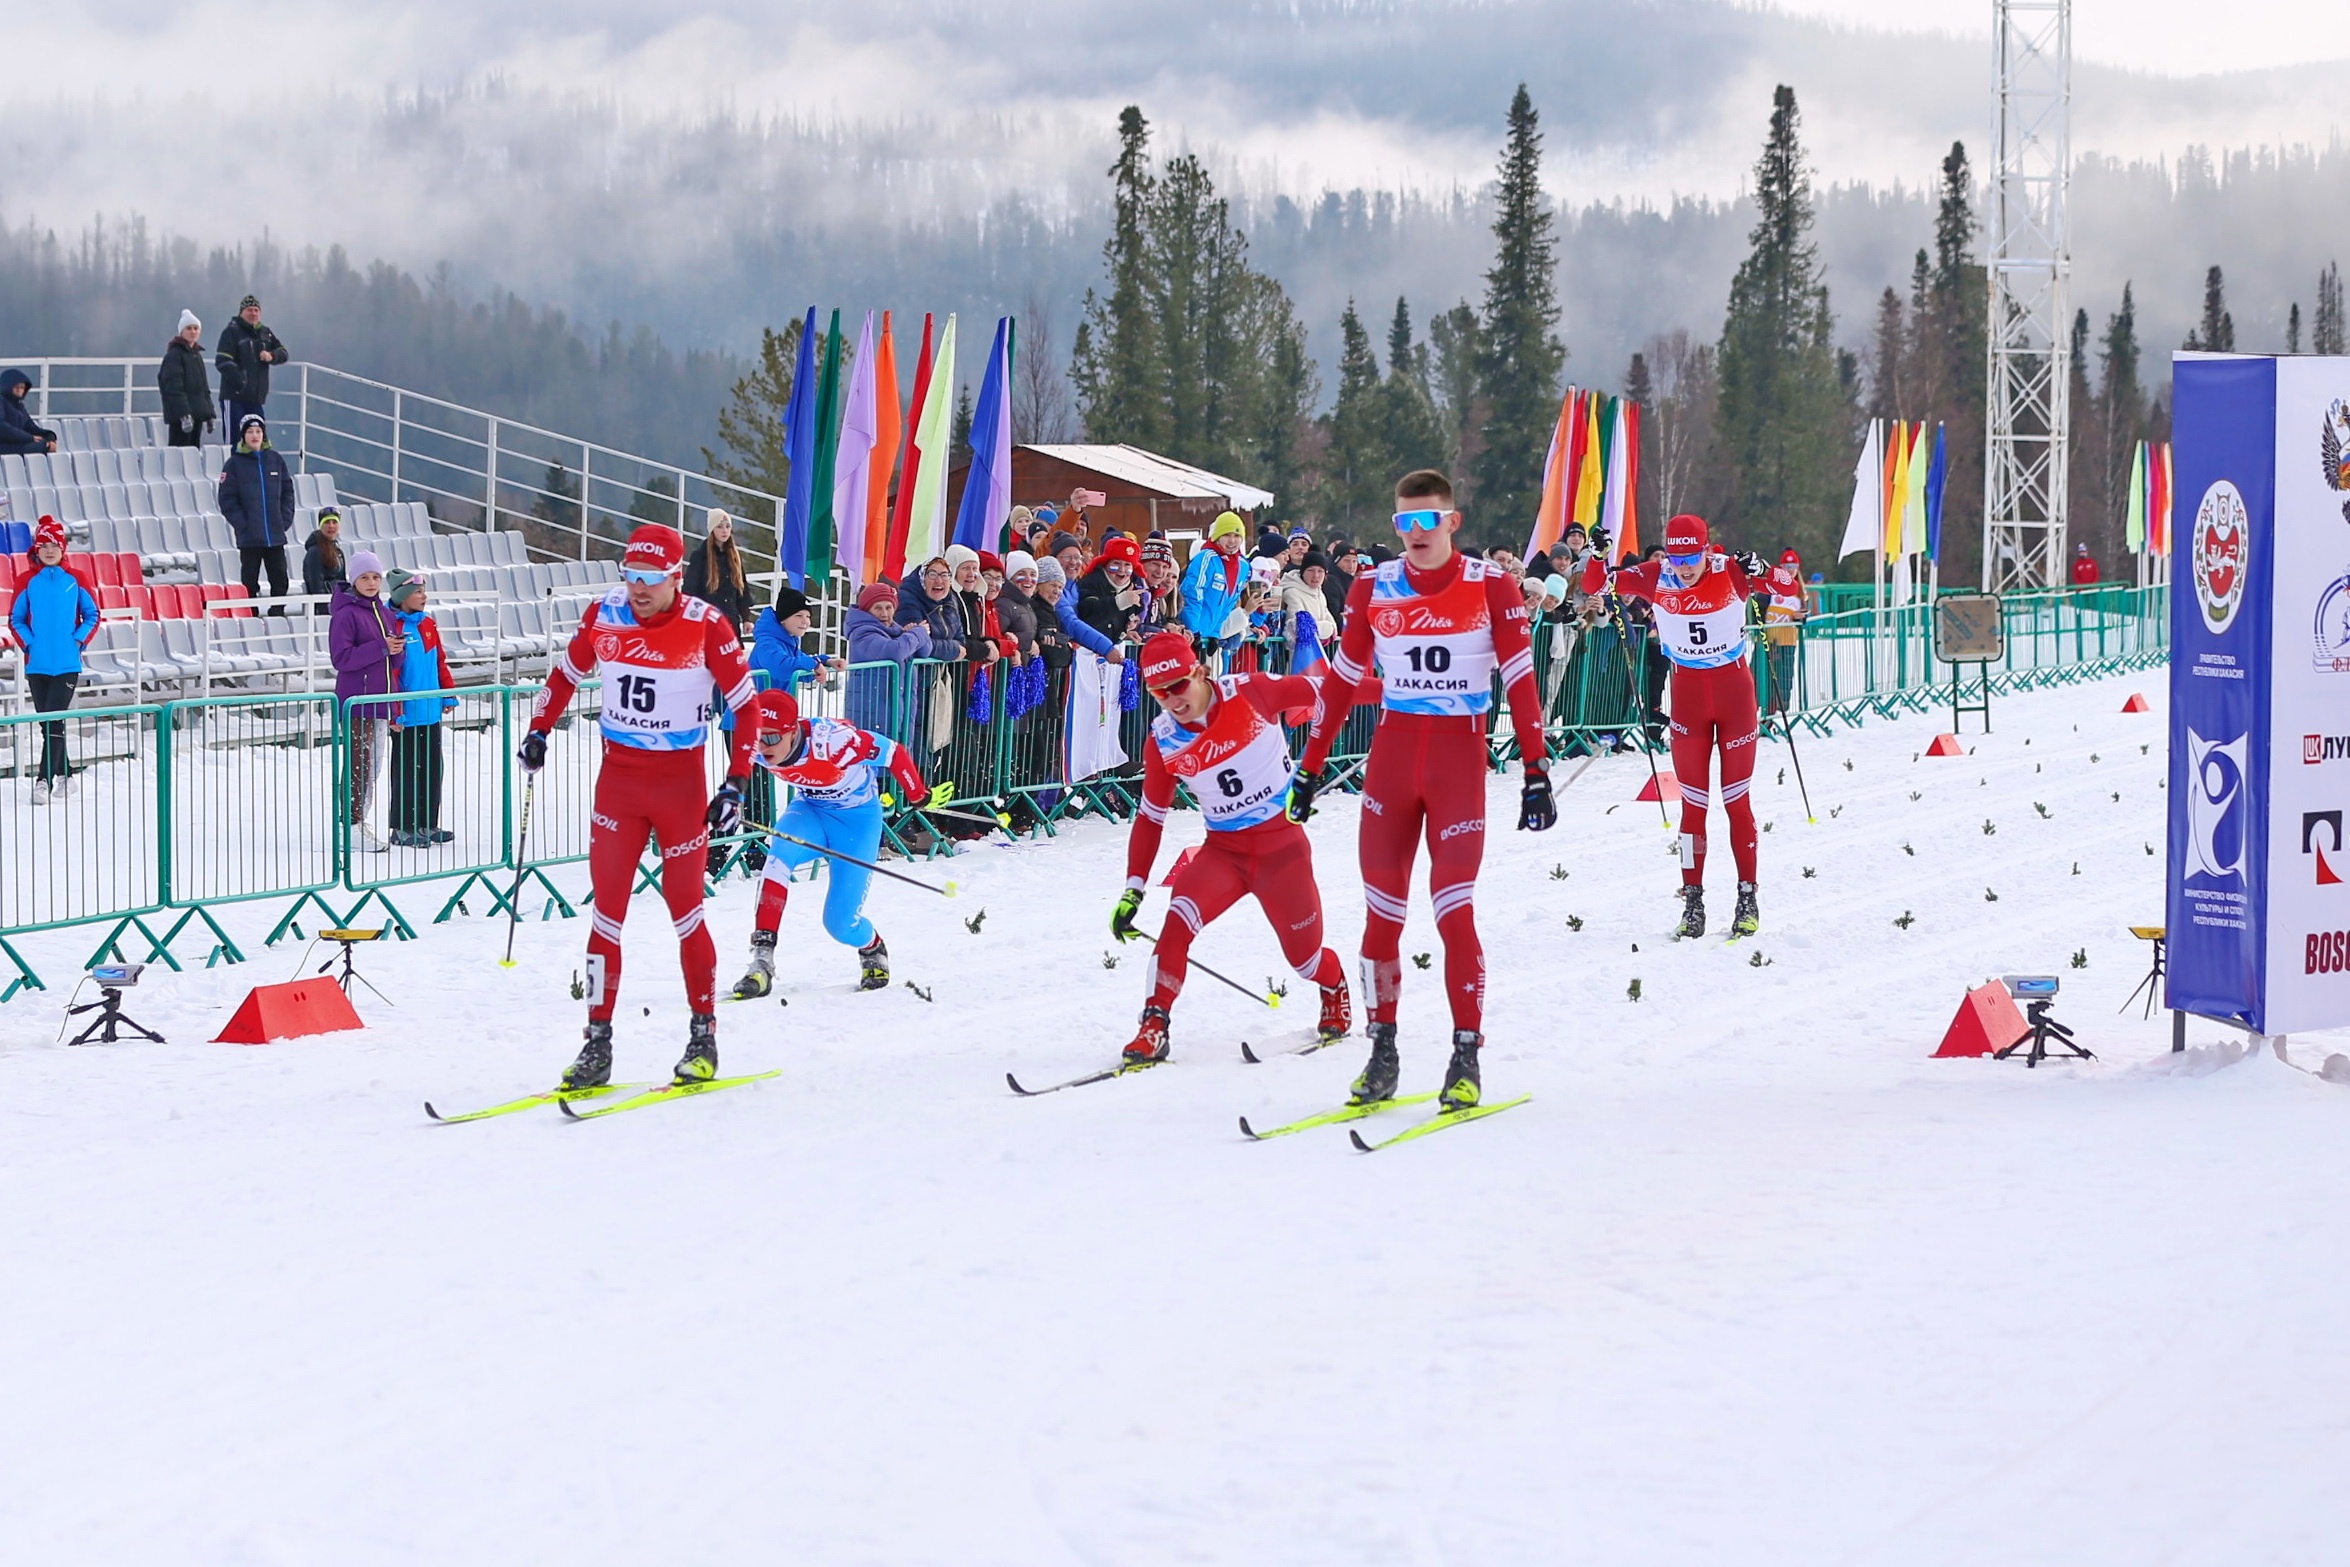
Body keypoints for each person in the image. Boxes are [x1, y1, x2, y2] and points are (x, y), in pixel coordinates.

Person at [1293, 469, 1554, 1112]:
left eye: (1426, 520)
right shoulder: (1374, 587)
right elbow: (1346, 676)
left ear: (1451, 521)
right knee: (1381, 918)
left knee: (1452, 912)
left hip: (1457, 766)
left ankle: (1465, 1055)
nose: (1415, 533)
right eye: (1403, 522)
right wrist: (1311, 765)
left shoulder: (1490, 584)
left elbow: (1521, 678)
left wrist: (1536, 769)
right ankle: (1383, 1052)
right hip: (1392, 763)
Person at [518, 523, 758, 1090]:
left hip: (679, 789)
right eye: (630, 576)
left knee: (686, 912)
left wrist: (736, 783)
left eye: (650, 579)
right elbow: (567, 673)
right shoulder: (607, 614)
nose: (638, 589)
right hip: (620, 786)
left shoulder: (706, 625)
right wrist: (539, 730)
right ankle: (597, 1045)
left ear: (677, 577)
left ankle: (703, 1035)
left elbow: (746, 708)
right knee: (605, 916)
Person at [1107, 633, 1351, 1063]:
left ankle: (1333, 987)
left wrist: (1405, 695)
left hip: (1284, 853)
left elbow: (1337, 688)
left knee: (1306, 961)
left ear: (1199, 671)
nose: (1172, 700)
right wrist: (1133, 888)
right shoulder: (1163, 738)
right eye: (1159, 692)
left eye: (1179, 686)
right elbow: (1150, 817)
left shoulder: (1252, 691)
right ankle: (1154, 1025)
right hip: (1225, 853)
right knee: (1177, 923)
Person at [1582, 515, 1769, 940]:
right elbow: (1597, 585)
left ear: (1707, 549)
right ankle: (1693, 901)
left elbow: (1783, 585)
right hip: (1686, 700)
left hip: (1735, 696)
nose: (1684, 567)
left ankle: (1746, 896)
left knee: (1737, 802)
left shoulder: (1729, 570)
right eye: (1676, 556)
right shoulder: (1654, 575)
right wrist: (1597, 556)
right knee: (1694, 806)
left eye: (1692, 556)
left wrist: (1761, 569)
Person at [730, 688, 930, 1000]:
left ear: (792, 730)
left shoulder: (835, 742)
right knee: (778, 857)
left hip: (856, 822)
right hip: (810, 812)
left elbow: (893, 753)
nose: (761, 747)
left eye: (770, 739)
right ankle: (762, 960)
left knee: (839, 923)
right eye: (757, 736)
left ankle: (871, 946)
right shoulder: (755, 745)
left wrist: (917, 793)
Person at [9, 517, 99, 804]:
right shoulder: (26, 581)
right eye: (43, 545)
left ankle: (43, 780)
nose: (49, 551)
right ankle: (67, 776)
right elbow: (16, 619)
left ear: (63, 548)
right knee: (47, 723)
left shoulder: (77, 579)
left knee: (54, 721)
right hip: (36, 665)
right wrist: (30, 643)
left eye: (54, 545)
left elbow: (93, 615)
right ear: (36, 548)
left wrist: (77, 640)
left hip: (66, 664)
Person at [328, 551, 401, 850]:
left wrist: (396, 649)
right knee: (360, 762)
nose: (371, 583)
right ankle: (351, 822)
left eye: (375, 577)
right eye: (364, 577)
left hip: (381, 699)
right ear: (353, 580)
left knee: (374, 765)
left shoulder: (383, 611)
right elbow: (341, 658)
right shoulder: (346, 614)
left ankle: (361, 817)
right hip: (358, 700)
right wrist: (381, 648)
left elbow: (391, 662)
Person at [383, 569, 457, 848]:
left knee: (431, 769)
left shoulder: (428, 624)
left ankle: (427, 823)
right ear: (402, 597)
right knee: (406, 771)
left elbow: (439, 661)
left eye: (424, 591)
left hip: (430, 711)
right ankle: (402, 826)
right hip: (406, 716)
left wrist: (448, 694)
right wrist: (394, 709)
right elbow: (392, 673)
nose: (424, 597)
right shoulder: (394, 627)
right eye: (418, 592)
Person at [218, 413, 295, 607]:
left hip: (275, 535)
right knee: (249, 582)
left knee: (280, 579)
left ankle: (277, 613)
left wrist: (284, 520)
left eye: (258, 431)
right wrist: (243, 524)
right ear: (243, 436)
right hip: (250, 538)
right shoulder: (234, 464)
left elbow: (287, 491)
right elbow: (227, 500)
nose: (255, 435)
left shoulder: (275, 460)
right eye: (250, 431)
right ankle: (250, 616)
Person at [845, 580, 932, 737]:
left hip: (897, 711)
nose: (884, 613)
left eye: (889, 607)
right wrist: (917, 633)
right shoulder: (862, 633)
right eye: (877, 608)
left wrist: (914, 634)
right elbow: (894, 651)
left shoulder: (896, 631)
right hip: (872, 713)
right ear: (867, 610)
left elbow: (925, 651)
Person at [214, 294, 289, 436]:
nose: (253, 313)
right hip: (234, 397)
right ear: (241, 312)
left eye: (256, 310)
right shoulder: (231, 332)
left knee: (258, 441)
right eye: (249, 310)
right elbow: (222, 360)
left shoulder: (265, 333)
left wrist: (271, 356)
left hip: (256, 398)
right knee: (235, 440)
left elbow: (283, 353)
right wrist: (241, 381)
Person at [752, 582, 842, 697]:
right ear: (783, 619)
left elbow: (801, 664)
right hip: (751, 712)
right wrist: (814, 665)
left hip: (773, 710)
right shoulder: (767, 643)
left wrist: (826, 661)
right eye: (798, 616)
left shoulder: (788, 642)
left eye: (808, 616)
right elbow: (782, 668)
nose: (805, 621)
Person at [1181, 510, 1248, 661]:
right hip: (1190, 636)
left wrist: (1216, 633)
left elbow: (1228, 603)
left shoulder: (1243, 566)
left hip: (1209, 638)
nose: (1232, 540)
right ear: (1217, 537)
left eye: (1236, 536)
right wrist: (1193, 629)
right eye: (1227, 535)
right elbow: (1193, 593)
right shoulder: (1206, 557)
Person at [684, 509, 754, 632]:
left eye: (728, 526)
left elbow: (741, 589)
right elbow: (690, 589)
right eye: (720, 526)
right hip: (708, 621)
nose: (725, 530)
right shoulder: (700, 555)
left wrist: (746, 618)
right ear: (712, 530)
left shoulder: (734, 556)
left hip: (731, 621)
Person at [157, 311, 216, 448]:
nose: (193, 332)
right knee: (179, 454)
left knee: (193, 454)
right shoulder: (174, 355)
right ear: (181, 332)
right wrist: (183, 414)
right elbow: (173, 388)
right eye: (188, 328)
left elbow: (203, 387)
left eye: (195, 328)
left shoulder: (196, 355)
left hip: (197, 415)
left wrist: (209, 413)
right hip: (181, 419)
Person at [1760, 548, 1807, 716]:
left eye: (1793, 566)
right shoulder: (1770, 589)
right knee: (1760, 680)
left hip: (1786, 642)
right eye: (1786, 566)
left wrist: (1799, 618)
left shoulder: (1800, 592)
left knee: (1781, 683)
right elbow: (1758, 611)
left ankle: (1770, 717)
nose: (1790, 570)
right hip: (1768, 642)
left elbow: (1803, 618)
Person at [1075, 531, 1142, 645]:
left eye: (1127, 565)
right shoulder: (1091, 582)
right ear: (1105, 564)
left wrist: (1125, 631)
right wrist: (1119, 602)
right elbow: (1088, 613)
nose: (1122, 570)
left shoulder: (1131, 588)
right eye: (1116, 563)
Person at [0, 369, 57, 457]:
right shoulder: (1, 401)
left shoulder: (20, 407)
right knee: (39, 446)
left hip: (17, 443)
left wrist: (49, 436)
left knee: (43, 444)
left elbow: (31, 427)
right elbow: (2, 427)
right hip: (4, 445)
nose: (20, 390)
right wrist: (29, 438)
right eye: (17, 387)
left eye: (22, 387)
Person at [301, 506, 347, 608]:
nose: (331, 526)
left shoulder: (338, 552)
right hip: (325, 607)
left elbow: (343, 583)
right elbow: (316, 586)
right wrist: (325, 610)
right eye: (327, 522)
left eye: (334, 522)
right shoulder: (314, 552)